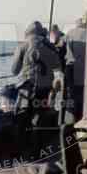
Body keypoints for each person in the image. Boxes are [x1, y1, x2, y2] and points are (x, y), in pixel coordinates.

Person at [11, 21, 62, 155]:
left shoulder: (23, 46)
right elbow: (58, 67)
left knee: (21, 119)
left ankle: (19, 150)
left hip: (26, 88)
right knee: (40, 119)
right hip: (44, 89)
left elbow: (14, 70)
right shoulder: (51, 47)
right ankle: (37, 151)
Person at [65, 17, 87, 121]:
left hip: (73, 69)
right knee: (84, 97)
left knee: (72, 97)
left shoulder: (70, 33)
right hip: (86, 71)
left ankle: (72, 121)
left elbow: (67, 54)